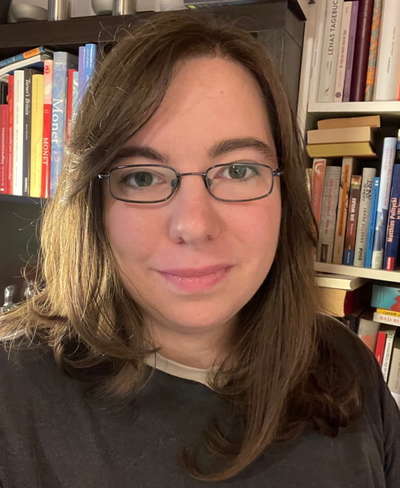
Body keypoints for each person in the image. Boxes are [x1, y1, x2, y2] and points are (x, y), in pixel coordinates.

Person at [0, 11, 399, 487]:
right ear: (93, 204)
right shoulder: (12, 399)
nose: (193, 224)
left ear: (286, 194)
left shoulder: (345, 364)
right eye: (141, 178)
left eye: (237, 171)